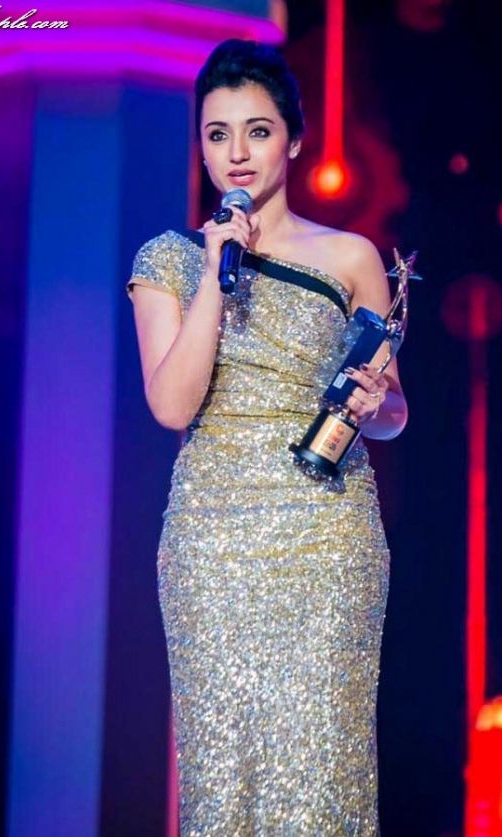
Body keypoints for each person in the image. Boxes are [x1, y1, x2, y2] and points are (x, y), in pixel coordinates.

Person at [127, 38, 408, 835]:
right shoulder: (172, 259)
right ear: (201, 146)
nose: (238, 153)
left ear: (294, 138)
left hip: (327, 535)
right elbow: (173, 404)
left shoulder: (350, 257)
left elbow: (394, 411)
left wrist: (376, 402)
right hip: (213, 538)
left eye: (257, 131)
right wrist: (219, 271)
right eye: (218, 134)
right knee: (225, 773)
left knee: (319, 765)